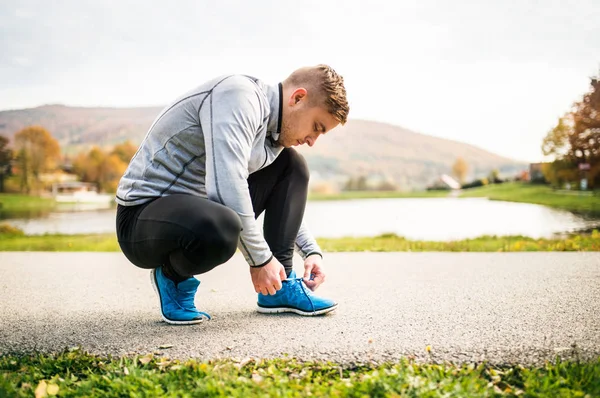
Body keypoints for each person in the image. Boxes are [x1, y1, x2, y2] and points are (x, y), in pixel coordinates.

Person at [115, 65, 349, 325]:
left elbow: (280, 203)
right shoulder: (238, 97)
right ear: (297, 98)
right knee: (222, 226)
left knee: (292, 166)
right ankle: (172, 276)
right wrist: (261, 261)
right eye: (316, 127)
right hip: (141, 217)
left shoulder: (272, 136)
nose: (313, 140)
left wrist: (311, 252)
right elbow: (226, 186)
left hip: (199, 208)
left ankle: (280, 287)